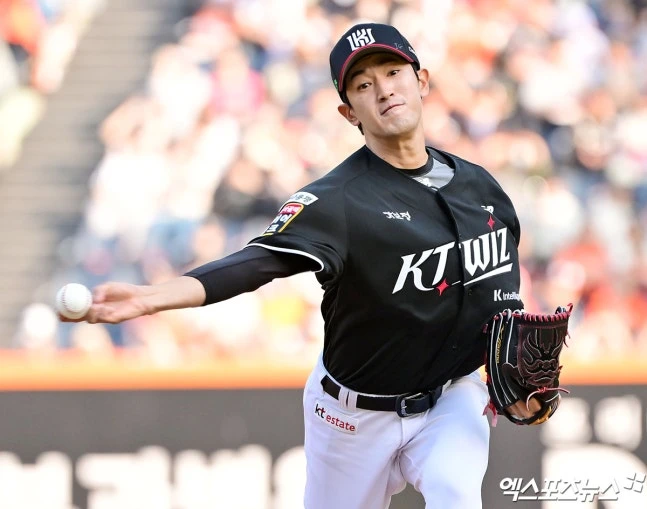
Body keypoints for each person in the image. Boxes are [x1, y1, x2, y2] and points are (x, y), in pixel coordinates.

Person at [60, 23, 543, 509]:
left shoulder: (480, 187)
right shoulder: (337, 201)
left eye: (394, 72)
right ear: (348, 112)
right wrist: (150, 297)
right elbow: (254, 263)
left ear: (422, 81)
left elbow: (500, 296)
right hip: (353, 418)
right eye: (363, 85)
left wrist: (522, 376)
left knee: (457, 496)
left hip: (450, 400)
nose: (384, 89)